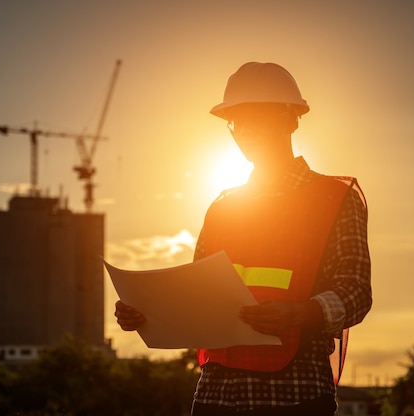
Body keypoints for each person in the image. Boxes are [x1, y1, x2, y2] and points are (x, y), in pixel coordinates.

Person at [115, 62, 372, 415]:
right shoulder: (222, 208)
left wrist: (297, 313)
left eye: (256, 117)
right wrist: (146, 313)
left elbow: (356, 293)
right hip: (216, 395)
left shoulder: (334, 200)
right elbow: (198, 299)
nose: (244, 131)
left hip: (294, 393)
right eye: (237, 122)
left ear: (291, 118)